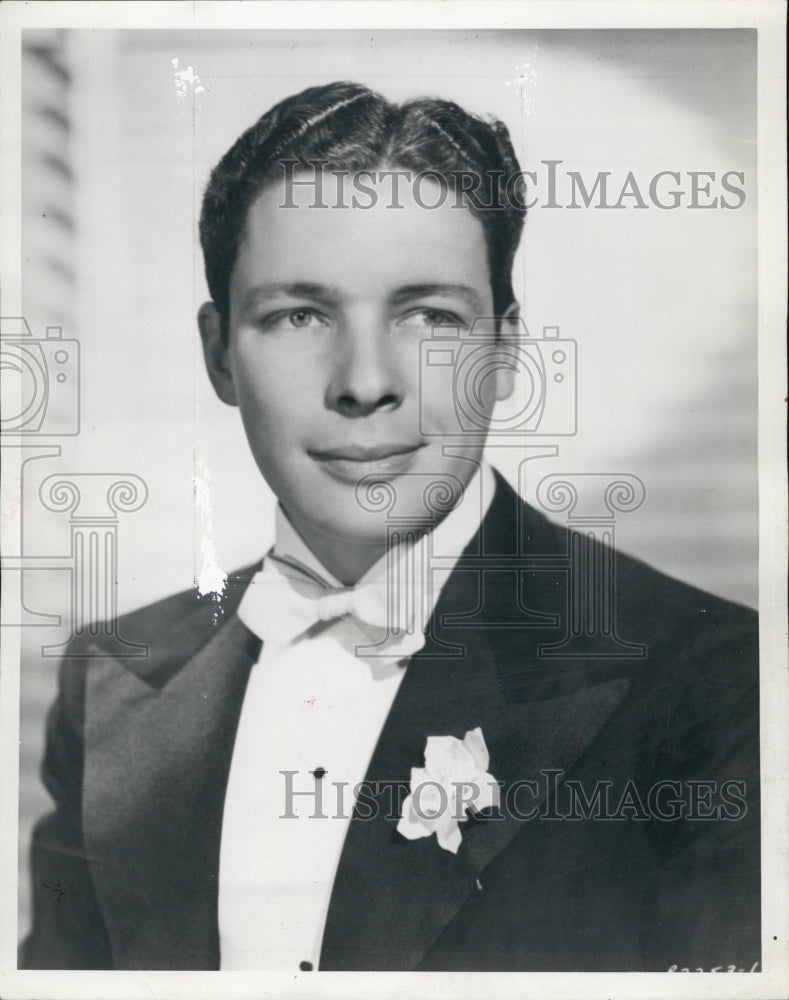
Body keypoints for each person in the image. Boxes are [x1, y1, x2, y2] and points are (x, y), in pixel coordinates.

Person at [21, 81, 760, 972]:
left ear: (504, 351)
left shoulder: (717, 685)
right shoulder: (112, 682)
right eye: (298, 314)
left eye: (428, 317)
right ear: (218, 352)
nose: (364, 381)